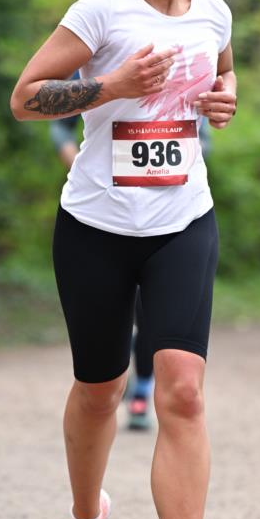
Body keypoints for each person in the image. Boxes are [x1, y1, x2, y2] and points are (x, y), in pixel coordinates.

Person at [10, 0, 236, 519]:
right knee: (101, 389)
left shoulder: (213, 13)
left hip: (181, 219)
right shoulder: (100, 9)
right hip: (97, 227)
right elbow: (25, 97)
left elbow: (221, 76)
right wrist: (107, 87)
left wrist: (222, 100)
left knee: (182, 389)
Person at [49, 108, 214, 431]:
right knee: (108, 348)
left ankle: (141, 388)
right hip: (103, 212)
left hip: (170, 212)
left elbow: (204, 132)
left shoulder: (192, 58)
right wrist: (77, 157)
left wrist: (173, 159)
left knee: (153, 316)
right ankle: (118, 376)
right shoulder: (92, 59)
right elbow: (57, 124)